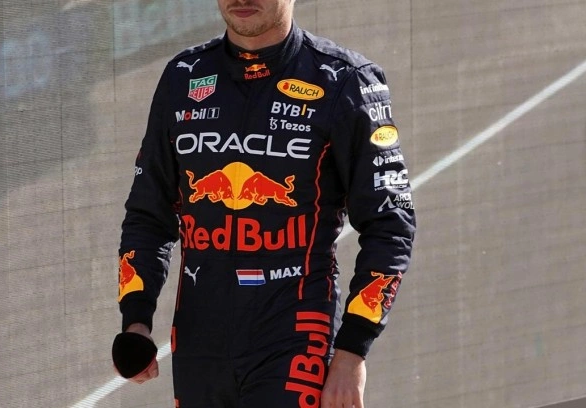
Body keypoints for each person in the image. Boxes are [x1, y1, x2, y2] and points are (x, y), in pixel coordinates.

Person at [113, 0, 416, 407]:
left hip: (294, 335)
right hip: (199, 340)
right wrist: (136, 319)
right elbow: (148, 215)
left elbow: (390, 224)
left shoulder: (346, 81)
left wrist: (352, 351)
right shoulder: (183, 77)